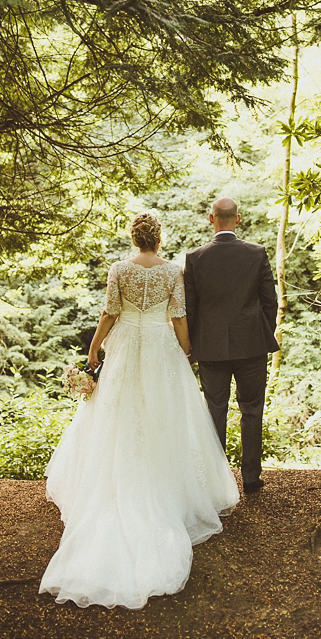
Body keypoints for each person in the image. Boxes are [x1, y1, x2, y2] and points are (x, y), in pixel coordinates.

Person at [39, 213, 239, 610]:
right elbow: (178, 316)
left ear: (134, 237)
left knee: (117, 414)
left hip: (127, 344)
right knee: (163, 417)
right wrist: (185, 351)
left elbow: (110, 314)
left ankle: (118, 479)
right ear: (159, 239)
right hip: (160, 345)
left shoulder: (119, 269)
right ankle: (164, 486)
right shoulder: (171, 271)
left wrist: (95, 348)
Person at [184, 197, 279, 493]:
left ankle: (217, 482)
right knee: (252, 409)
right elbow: (270, 303)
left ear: (211, 219)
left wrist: (192, 348)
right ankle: (251, 478)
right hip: (252, 345)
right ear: (237, 219)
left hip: (210, 348)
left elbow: (190, 309)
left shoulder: (195, 258)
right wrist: (259, 333)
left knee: (215, 409)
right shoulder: (257, 253)